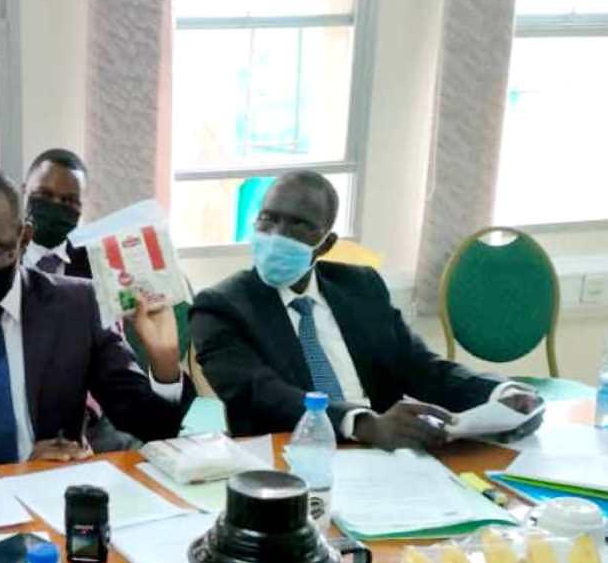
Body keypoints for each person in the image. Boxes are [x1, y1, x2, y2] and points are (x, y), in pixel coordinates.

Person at [0, 166, 194, 475]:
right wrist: (15, 472)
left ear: (24, 238)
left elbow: (150, 428)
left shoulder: (79, 307)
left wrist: (165, 365)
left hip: (54, 500)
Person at [190, 169, 542, 448]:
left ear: (325, 244)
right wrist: (363, 423)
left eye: (298, 224)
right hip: (291, 462)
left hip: (387, 458)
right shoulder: (220, 308)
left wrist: (499, 393)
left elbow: (420, 366)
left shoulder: (360, 287)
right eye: (268, 219)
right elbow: (263, 394)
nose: (278, 234)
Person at [21, 148, 92, 278]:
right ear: (24, 192)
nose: (55, 206)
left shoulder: (97, 267)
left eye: (69, 201)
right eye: (44, 194)